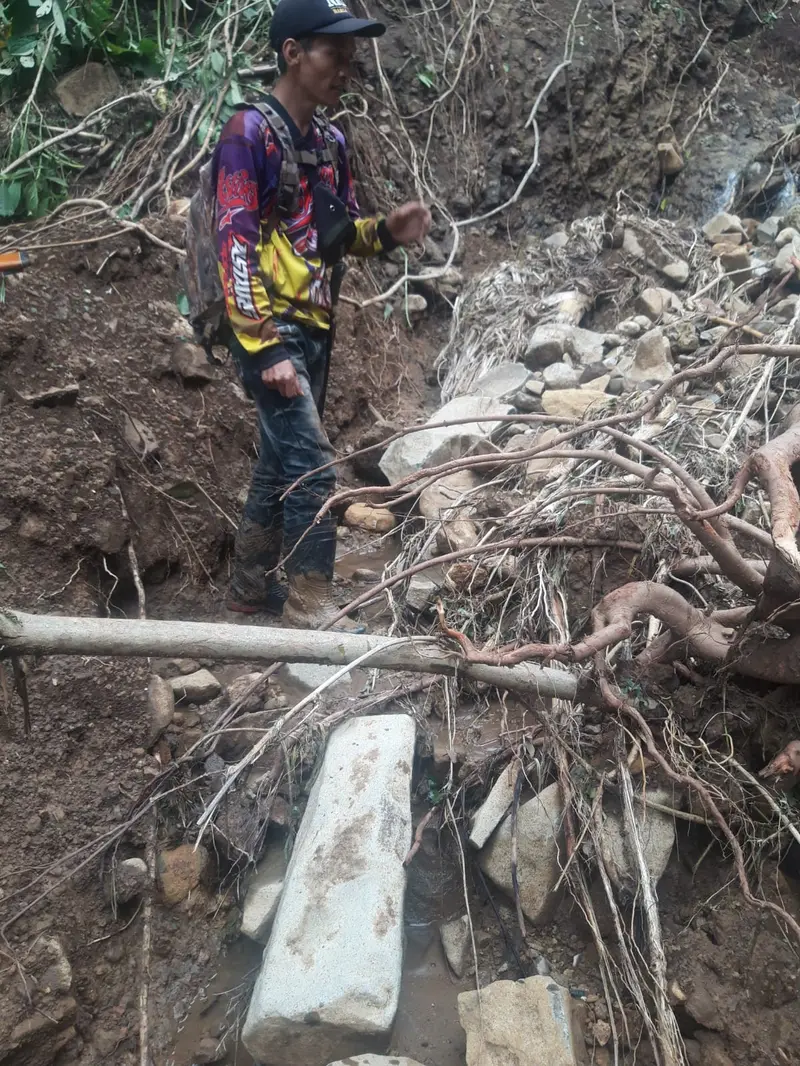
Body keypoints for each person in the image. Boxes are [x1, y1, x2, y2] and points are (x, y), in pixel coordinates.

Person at [214, 0, 430, 631]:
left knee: (278, 464)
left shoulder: (331, 142)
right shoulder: (246, 134)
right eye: (334, 53)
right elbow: (234, 242)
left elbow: (336, 237)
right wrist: (263, 346)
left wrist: (386, 231)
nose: (346, 68)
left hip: (314, 325)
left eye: (351, 56)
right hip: (269, 328)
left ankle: (249, 590)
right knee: (312, 466)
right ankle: (312, 606)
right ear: (292, 53)